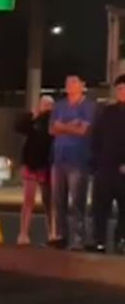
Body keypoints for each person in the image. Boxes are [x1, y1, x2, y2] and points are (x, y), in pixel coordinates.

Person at [47, 74, 97, 249]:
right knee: (58, 200)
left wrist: (63, 126)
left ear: (82, 85)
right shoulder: (59, 106)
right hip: (59, 159)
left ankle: (78, 238)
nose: (69, 84)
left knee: (77, 201)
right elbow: (52, 129)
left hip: (79, 159)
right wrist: (70, 126)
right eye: (67, 81)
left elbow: (83, 130)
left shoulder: (89, 106)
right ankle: (61, 235)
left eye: (74, 81)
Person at [90, 75, 125, 253]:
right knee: (100, 207)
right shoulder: (107, 112)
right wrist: (96, 162)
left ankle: (121, 240)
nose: (122, 92)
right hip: (105, 168)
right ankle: (99, 241)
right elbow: (96, 138)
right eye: (119, 89)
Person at [16, 94, 55, 246]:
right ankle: (23, 233)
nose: (46, 107)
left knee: (49, 201)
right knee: (28, 200)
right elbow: (19, 127)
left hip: (46, 165)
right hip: (31, 164)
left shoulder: (53, 122)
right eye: (44, 104)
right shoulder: (34, 121)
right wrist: (32, 115)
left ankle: (52, 233)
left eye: (49, 105)